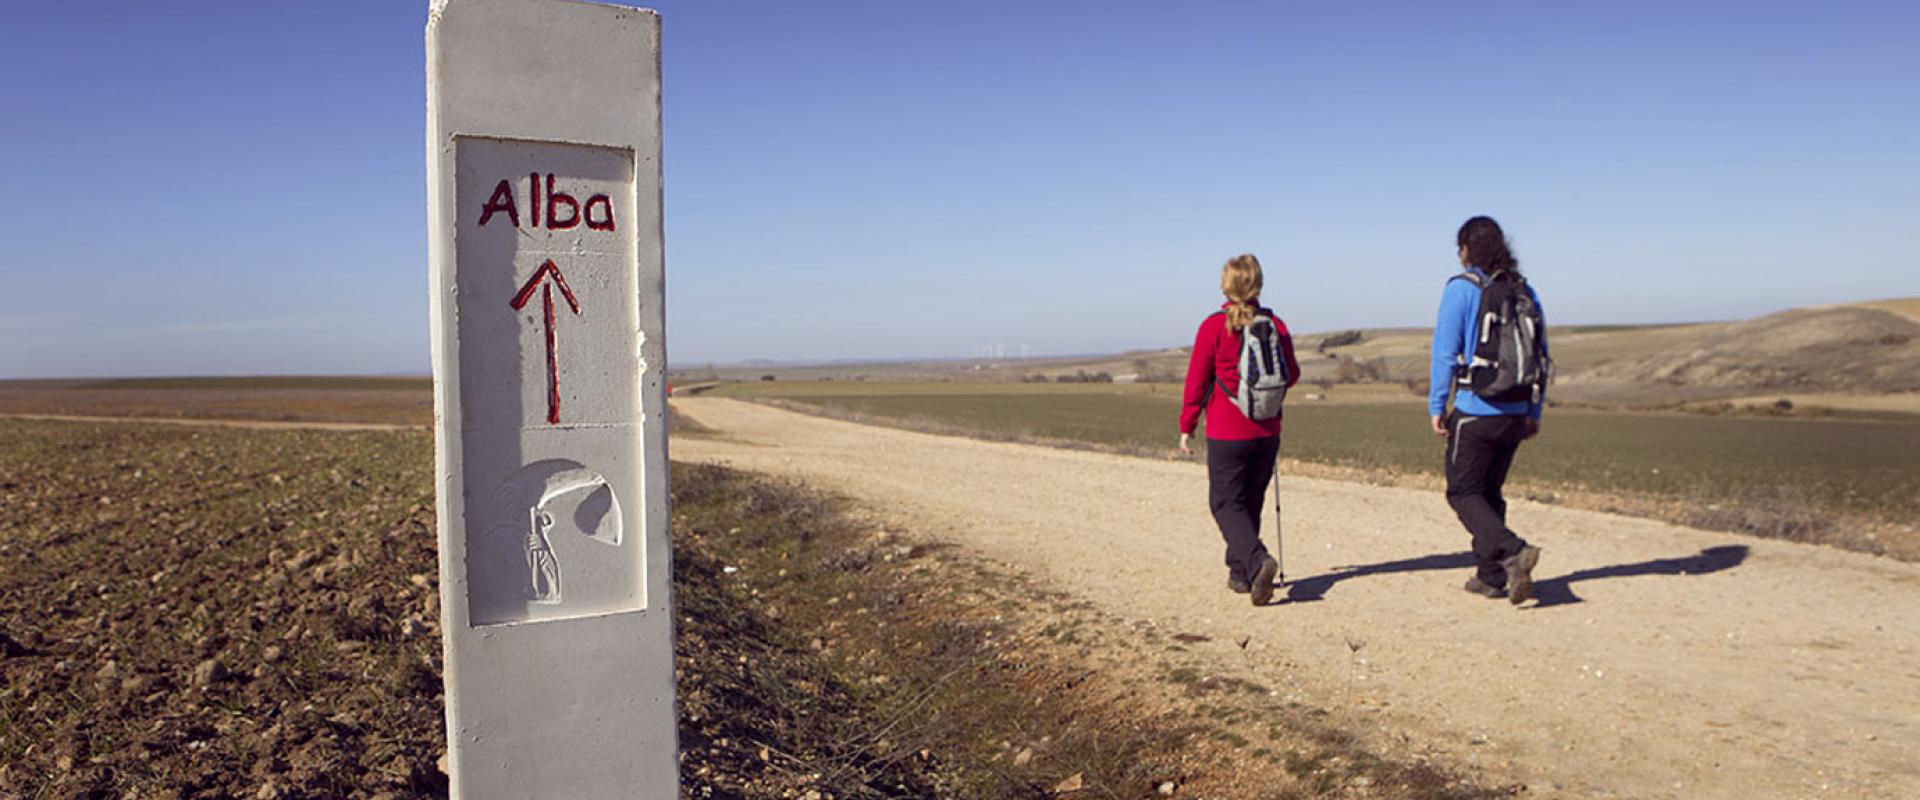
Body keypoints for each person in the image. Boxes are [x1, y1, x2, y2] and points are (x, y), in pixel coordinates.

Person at [1429, 216, 1546, 604]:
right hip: (1515, 411)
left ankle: (1513, 553)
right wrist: (1534, 411)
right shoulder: (1524, 290)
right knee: (1489, 492)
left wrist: (1437, 405)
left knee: (1462, 491)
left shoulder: (1461, 289)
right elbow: (1542, 357)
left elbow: (1445, 353)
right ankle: (1491, 576)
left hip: (1476, 408)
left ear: (1466, 249)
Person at [1179, 254, 1300, 606]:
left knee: (1224, 502)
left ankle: (1258, 560)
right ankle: (1240, 573)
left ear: (1225, 285)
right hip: (1267, 430)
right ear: (1258, 284)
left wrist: (1187, 425)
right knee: (1251, 500)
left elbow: (1197, 382)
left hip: (1227, 430)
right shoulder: (1275, 324)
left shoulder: (1214, 326)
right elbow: (1292, 375)